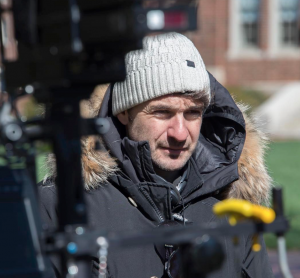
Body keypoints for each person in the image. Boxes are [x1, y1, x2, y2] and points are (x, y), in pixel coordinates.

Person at [39, 32, 274, 278]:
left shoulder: (231, 209)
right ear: (124, 112)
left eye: (193, 113)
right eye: (162, 112)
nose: (180, 133)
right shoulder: (58, 206)